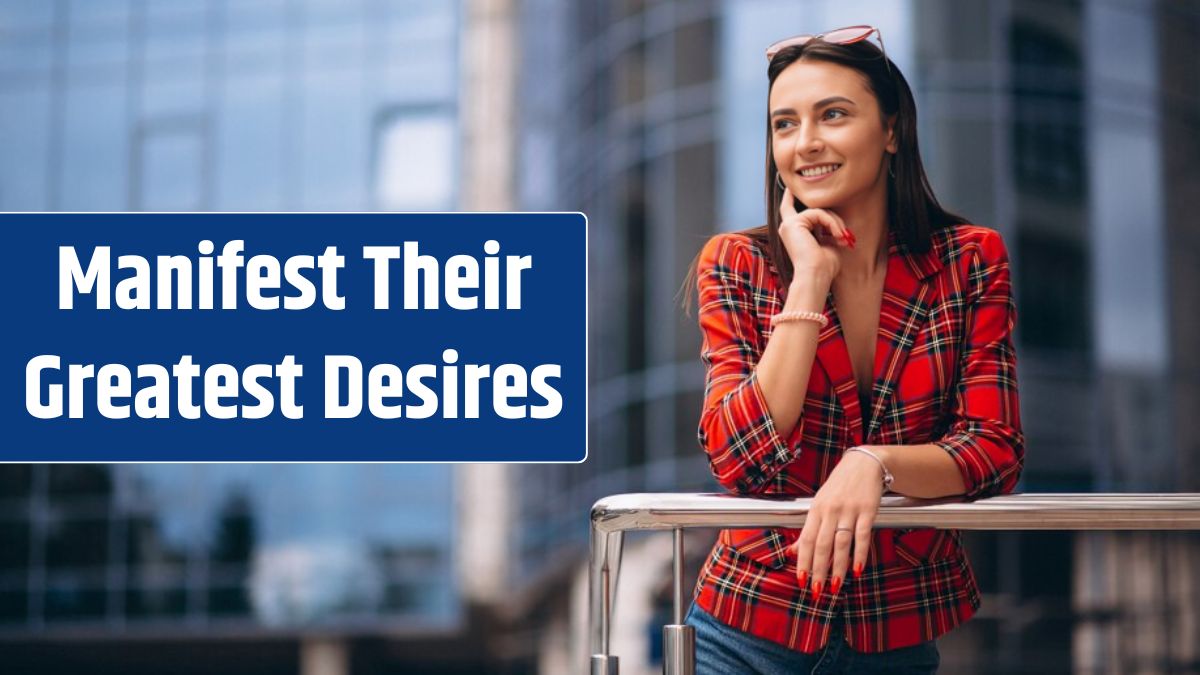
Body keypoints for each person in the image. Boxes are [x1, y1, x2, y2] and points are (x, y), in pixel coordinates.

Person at [683, 25, 1024, 674]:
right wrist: (809, 280)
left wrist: (875, 463)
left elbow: (994, 444)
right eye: (784, 124)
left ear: (892, 130)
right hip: (746, 623)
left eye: (833, 114)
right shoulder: (737, 262)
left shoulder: (970, 259)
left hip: (896, 629)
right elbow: (738, 456)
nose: (805, 142)